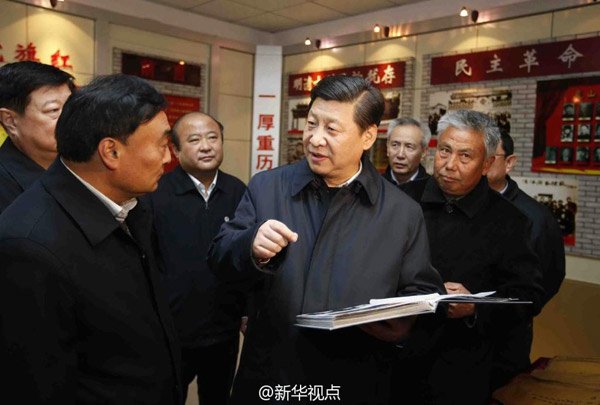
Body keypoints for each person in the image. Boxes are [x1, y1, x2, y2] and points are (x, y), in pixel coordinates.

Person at [208, 75, 443, 404]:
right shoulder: (267, 187)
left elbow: (421, 291)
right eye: (311, 124)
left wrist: (401, 322)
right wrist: (251, 245)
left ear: (368, 136)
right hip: (272, 377)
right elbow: (219, 257)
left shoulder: (402, 212)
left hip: (355, 380)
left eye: (332, 129)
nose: (315, 139)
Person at [0, 74, 182, 404]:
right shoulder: (29, 247)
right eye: (160, 144)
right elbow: (36, 384)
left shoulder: (132, 204)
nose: (168, 158)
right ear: (110, 151)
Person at [401, 110, 544, 404]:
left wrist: (476, 307)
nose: (449, 164)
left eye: (465, 156)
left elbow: (528, 296)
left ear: (487, 164)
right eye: (444, 151)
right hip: (397, 355)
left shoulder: (510, 221)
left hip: (463, 369)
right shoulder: (401, 200)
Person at [145, 112, 247, 404]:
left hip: (223, 330)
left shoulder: (238, 191)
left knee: (218, 397)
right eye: (194, 140)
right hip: (171, 331)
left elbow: (245, 258)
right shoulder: (155, 193)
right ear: (175, 150)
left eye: (213, 138)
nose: (206, 146)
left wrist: (247, 309)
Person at [486, 131, 565, 390]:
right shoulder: (457, 203)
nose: (480, 163)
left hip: (507, 336)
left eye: (490, 157)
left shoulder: (534, 216)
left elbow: (550, 275)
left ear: (509, 163)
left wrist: (516, 310)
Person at [0, 61, 74, 213]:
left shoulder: (86, 163)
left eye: (72, 106)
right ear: (10, 120)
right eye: (54, 110)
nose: (71, 117)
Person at [382, 117, 431, 186]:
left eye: (409, 147)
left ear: (423, 152)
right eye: (395, 145)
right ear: (387, 148)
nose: (400, 155)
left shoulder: (432, 188)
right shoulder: (374, 186)